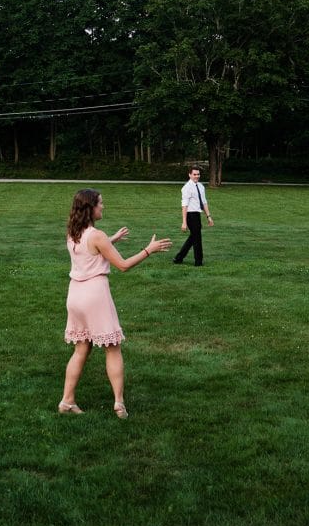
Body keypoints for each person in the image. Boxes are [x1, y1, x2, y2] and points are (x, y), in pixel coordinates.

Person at [60, 188, 171, 418]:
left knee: (81, 348)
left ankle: (67, 401)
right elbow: (123, 265)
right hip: (94, 295)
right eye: (100, 203)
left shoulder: (73, 232)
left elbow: (89, 252)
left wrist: (112, 239)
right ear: (90, 208)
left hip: (75, 296)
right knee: (113, 348)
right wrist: (148, 251)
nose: (103, 206)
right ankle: (119, 403)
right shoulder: (97, 236)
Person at [173, 166, 213, 266]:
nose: (196, 176)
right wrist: (184, 222)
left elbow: (204, 202)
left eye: (198, 174)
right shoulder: (186, 188)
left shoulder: (201, 186)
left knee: (193, 237)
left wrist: (208, 216)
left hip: (197, 214)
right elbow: (184, 206)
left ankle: (179, 258)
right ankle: (198, 261)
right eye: (194, 174)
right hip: (190, 215)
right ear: (190, 175)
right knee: (197, 238)